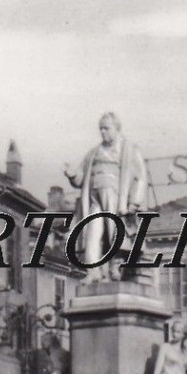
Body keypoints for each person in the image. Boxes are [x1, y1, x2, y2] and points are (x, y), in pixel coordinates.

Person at [64, 112, 149, 282]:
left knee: (115, 231)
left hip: (116, 196)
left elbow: (140, 176)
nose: (103, 132)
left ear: (117, 129)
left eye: (106, 128)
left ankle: (114, 266)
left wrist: (134, 202)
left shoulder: (129, 148)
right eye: (101, 129)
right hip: (94, 197)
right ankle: (93, 271)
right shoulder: (93, 153)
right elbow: (81, 179)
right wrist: (72, 175)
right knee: (93, 232)